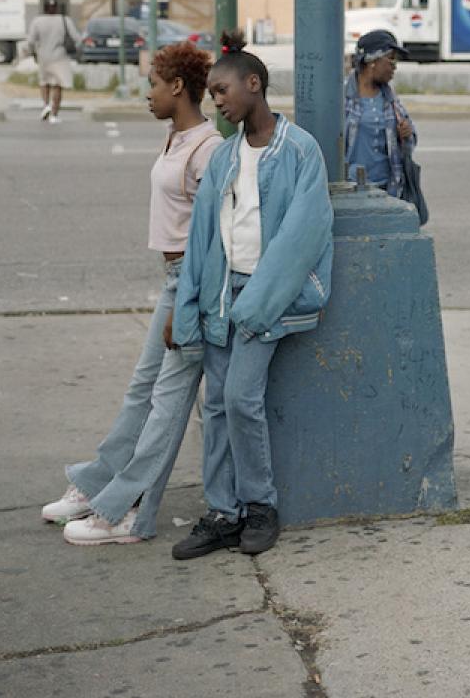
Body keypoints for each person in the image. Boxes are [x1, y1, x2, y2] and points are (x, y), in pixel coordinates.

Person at [40, 42, 222, 544]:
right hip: (172, 280)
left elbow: (214, 237)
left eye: (153, 84)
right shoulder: (176, 137)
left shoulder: (206, 148)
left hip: (192, 282)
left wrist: (187, 300)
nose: (147, 94)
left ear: (178, 88)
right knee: (142, 390)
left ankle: (128, 514)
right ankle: (99, 485)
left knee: (167, 404)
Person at [170, 31, 333, 561]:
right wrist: (186, 307)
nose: (216, 101)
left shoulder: (300, 150)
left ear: (254, 84)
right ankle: (222, 513)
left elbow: (302, 238)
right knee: (214, 404)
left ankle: (261, 506)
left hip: (267, 298)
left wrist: (257, 305)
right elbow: (201, 239)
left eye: (222, 91)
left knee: (241, 399)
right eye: (213, 94)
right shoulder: (224, 158)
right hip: (221, 294)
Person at [342, 29, 416, 197]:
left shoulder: (390, 99)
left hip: (388, 191)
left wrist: (405, 134)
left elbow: (411, 140)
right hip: (351, 191)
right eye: (391, 58)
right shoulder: (343, 99)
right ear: (372, 60)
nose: (394, 66)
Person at [24, 0, 80, 125]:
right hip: (59, 56)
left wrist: (32, 53)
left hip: (43, 56)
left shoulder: (37, 21)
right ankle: (54, 114)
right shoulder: (64, 20)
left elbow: (31, 41)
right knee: (57, 85)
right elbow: (76, 37)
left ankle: (46, 105)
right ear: (56, 8)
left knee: (44, 82)